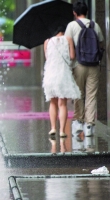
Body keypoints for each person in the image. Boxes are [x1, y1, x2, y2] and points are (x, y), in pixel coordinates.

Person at [65, 2, 104, 137]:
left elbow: (67, 47)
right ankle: (89, 125)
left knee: (79, 94)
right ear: (87, 12)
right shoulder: (95, 25)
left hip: (78, 65)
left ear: (74, 13)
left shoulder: (71, 26)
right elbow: (101, 44)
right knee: (91, 96)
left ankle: (78, 123)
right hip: (93, 65)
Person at [43, 25, 81, 138]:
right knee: (62, 104)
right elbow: (72, 56)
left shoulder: (47, 41)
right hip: (63, 74)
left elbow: (47, 58)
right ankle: (62, 131)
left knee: (53, 102)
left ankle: (53, 128)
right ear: (64, 30)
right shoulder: (68, 39)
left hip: (50, 75)